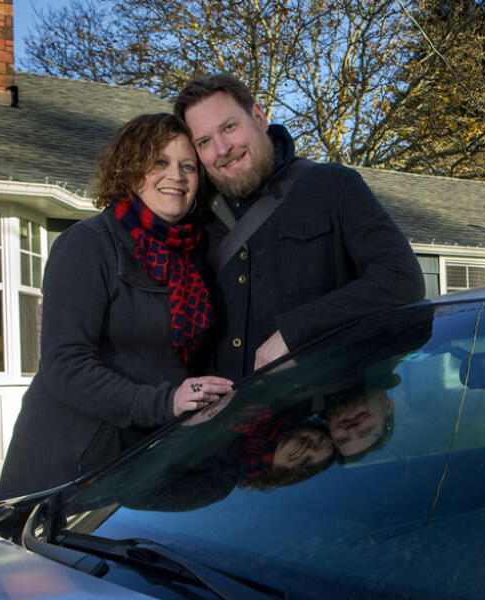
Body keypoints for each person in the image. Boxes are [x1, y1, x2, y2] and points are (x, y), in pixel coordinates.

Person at [0, 114, 233, 499]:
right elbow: (65, 366)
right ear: (129, 169)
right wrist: (164, 402)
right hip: (73, 465)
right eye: (160, 162)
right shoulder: (88, 244)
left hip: (148, 461)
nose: (176, 175)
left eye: (187, 166)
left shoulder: (194, 258)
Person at [174, 74, 425, 381]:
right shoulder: (193, 217)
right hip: (226, 424)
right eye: (204, 142)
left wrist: (296, 332)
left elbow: (401, 279)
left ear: (258, 116)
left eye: (229, 127)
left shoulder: (333, 186)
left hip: (314, 418)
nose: (222, 149)